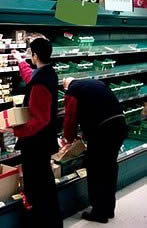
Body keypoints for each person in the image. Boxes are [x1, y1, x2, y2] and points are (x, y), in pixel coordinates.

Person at [12, 38, 63, 228]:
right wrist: (19, 60)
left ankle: (43, 222)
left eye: (29, 53)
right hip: (43, 141)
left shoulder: (41, 81)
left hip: (36, 143)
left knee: (38, 186)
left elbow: (40, 120)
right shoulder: (48, 73)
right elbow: (31, 78)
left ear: (35, 55)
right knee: (44, 182)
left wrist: (15, 129)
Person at [63, 77, 128, 224]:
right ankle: (108, 209)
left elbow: (70, 118)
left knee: (96, 170)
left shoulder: (72, 91)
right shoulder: (95, 83)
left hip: (103, 131)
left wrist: (69, 139)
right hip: (119, 125)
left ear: (66, 87)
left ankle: (99, 212)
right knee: (110, 169)